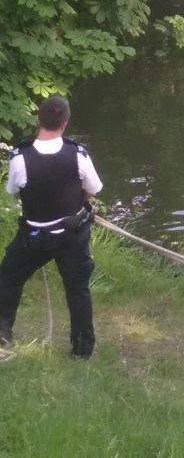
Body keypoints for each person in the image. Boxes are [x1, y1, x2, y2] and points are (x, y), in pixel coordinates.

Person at [0, 95, 102, 358]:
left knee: (8, 278)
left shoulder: (20, 157)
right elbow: (94, 189)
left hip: (34, 237)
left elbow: (13, 190)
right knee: (77, 288)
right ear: (65, 124)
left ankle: (1, 334)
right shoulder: (78, 154)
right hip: (72, 235)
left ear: (38, 120)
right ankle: (82, 350)